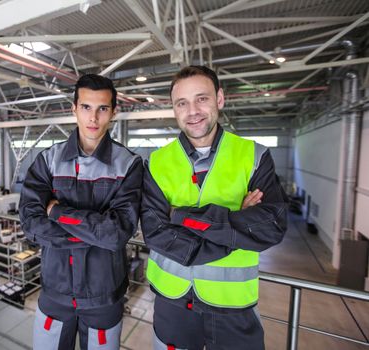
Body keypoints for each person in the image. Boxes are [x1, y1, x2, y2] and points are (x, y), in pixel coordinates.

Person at [141, 66, 288, 350]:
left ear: (219, 99)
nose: (192, 111)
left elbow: (271, 226)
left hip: (233, 305)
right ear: (174, 109)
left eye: (202, 99)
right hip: (172, 304)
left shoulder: (254, 156)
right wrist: (235, 224)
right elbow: (155, 232)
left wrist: (179, 216)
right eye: (182, 103)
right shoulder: (156, 162)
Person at [19, 74, 143, 350]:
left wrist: (57, 212)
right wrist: (92, 235)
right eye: (86, 107)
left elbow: (116, 233)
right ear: (73, 109)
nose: (93, 118)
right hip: (55, 292)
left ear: (114, 112)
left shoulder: (129, 165)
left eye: (102, 108)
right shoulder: (47, 160)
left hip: (104, 297)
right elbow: (30, 222)